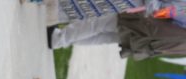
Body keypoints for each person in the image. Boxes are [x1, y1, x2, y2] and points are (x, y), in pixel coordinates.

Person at [48, 12, 186, 60]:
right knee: (105, 36)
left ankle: (59, 39)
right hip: (150, 41)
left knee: (98, 23)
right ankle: (62, 40)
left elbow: (173, 11)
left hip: (146, 25)